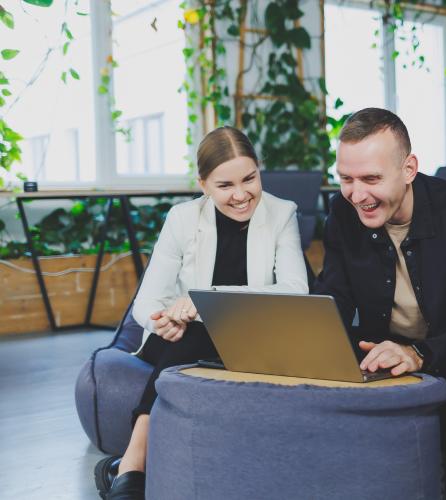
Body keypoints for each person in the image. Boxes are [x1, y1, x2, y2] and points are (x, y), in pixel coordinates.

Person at [95, 126, 308, 499]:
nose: (241, 195)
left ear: (260, 170)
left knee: (202, 331)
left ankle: (129, 466)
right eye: (225, 185)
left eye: (250, 179)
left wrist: (209, 298)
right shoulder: (182, 218)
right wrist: (160, 323)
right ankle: (134, 461)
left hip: (248, 337)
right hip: (179, 338)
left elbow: (295, 290)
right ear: (203, 184)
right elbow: (146, 303)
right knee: (193, 334)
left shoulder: (282, 213)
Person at [313, 107, 446, 488]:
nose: (357, 194)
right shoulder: (342, 211)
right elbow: (334, 296)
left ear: (409, 169)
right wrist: (309, 339)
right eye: (346, 179)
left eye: (371, 178)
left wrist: (419, 354)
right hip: (381, 361)